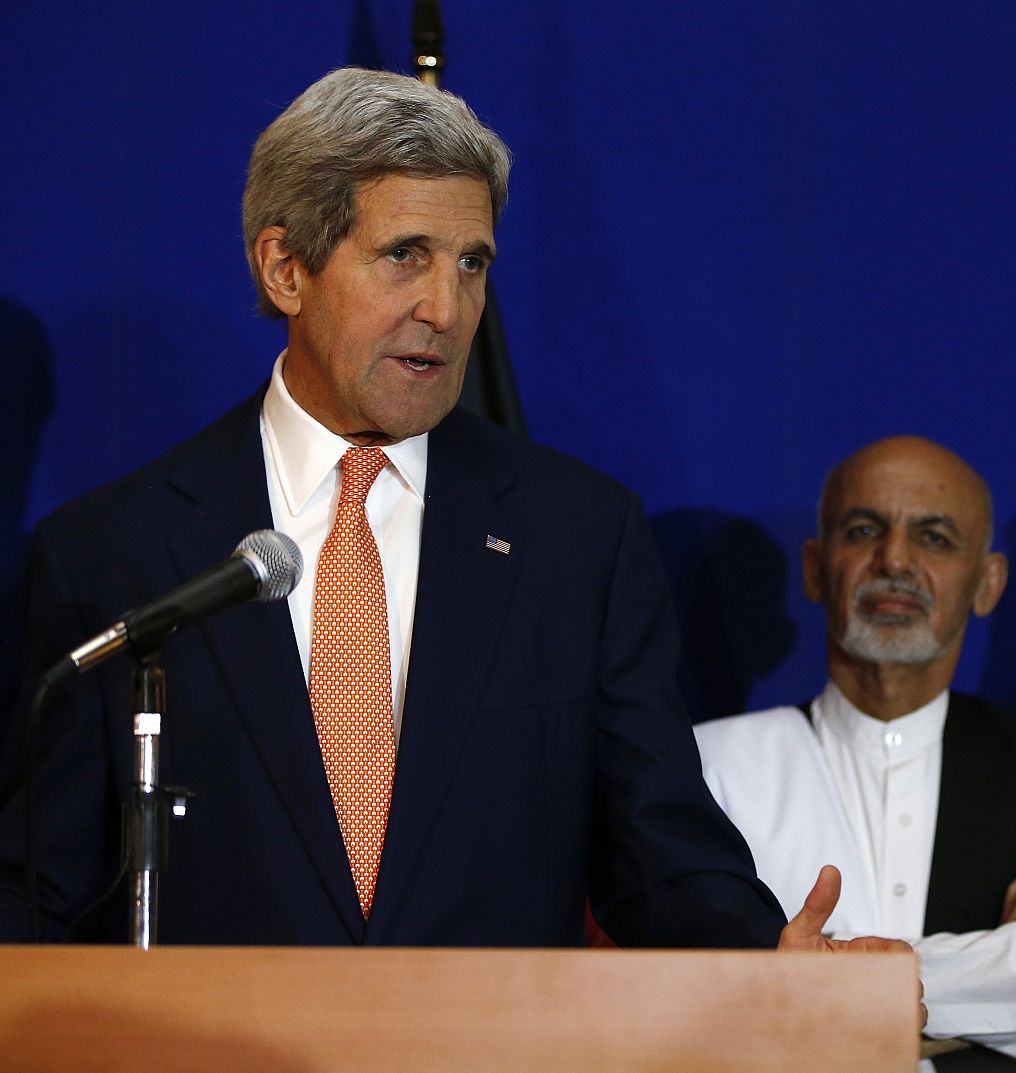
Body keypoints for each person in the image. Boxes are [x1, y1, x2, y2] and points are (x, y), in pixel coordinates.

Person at [0, 68, 895, 960]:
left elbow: (657, 848)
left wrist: (772, 958)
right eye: (405, 255)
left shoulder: (577, 537)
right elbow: (42, 889)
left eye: (472, 263)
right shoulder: (109, 555)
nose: (447, 308)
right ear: (285, 269)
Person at [695, 435, 1016, 1070]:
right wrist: (1002, 956)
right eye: (865, 528)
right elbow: (698, 993)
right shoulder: (712, 764)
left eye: (934, 537)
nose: (894, 559)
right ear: (816, 568)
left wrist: (811, 972)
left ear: (988, 583)